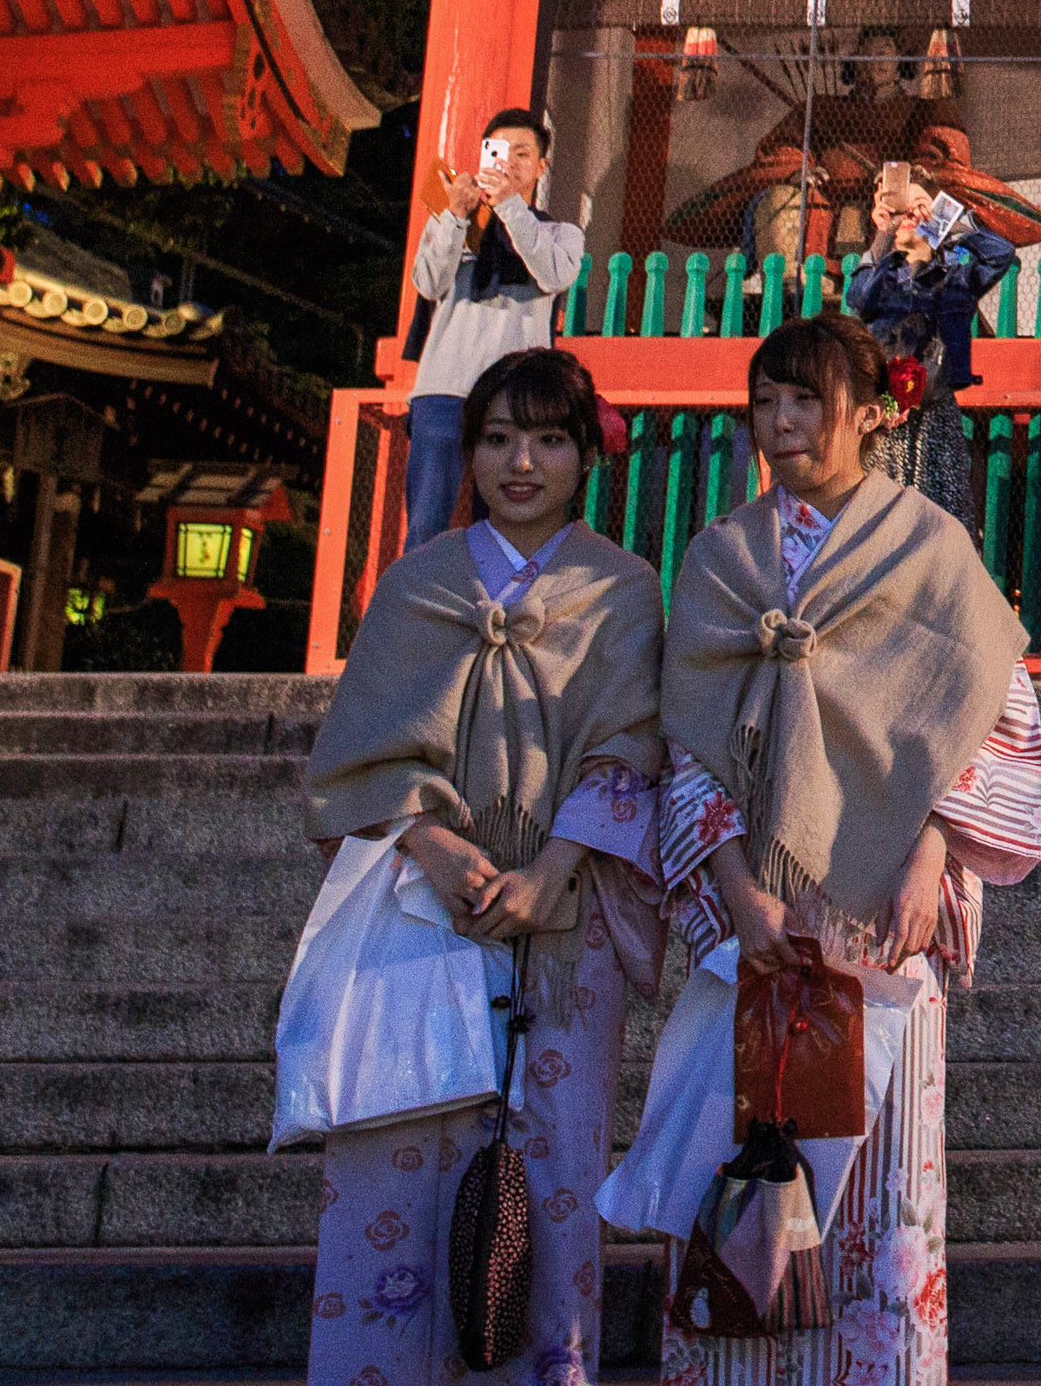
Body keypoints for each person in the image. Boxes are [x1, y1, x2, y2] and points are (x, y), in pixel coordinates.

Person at [653, 309, 1041, 1386]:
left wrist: (929, 861)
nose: (780, 425)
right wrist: (736, 891)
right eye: (765, 403)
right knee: (741, 1173)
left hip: (880, 910)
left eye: (805, 403)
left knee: (881, 1192)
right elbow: (688, 736)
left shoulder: (930, 545)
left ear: (872, 418)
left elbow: (990, 711)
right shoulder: (723, 558)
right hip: (757, 919)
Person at [296, 342, 664, 1384]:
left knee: (553, 1166)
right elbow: (357, 757)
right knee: (401, 1163)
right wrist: (432, 840)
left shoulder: (624, 589)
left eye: (550, 438)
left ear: (586, 453)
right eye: (499, 437)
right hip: (425, 905)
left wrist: (555, 866)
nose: (522, 462)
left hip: (567, 910)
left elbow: (633, 744)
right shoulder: (418, 585)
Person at [406, 107, 589, 551]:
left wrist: (508, 205)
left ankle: (495, 615)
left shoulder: (560, 233)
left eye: (523, 153)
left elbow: (551, 275)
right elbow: (429, 283)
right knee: (426, 525)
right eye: (500, 151)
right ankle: (417, 616)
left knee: (504, 528)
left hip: (515, 396)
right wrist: (453, 216)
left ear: (541, 167)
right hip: (445, 387)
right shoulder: (453, 219)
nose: (509, 163)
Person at [848, 157, 1016, 525]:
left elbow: (1001, 254)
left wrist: (944, 218)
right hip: (884, 415)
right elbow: (860, 298)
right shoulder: (880, 267)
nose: (907, 213)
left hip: (935, 413)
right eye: (897, 205)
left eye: (913, 205)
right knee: (878, 521)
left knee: (942, 519)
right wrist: (886, 232)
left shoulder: (954, 268)